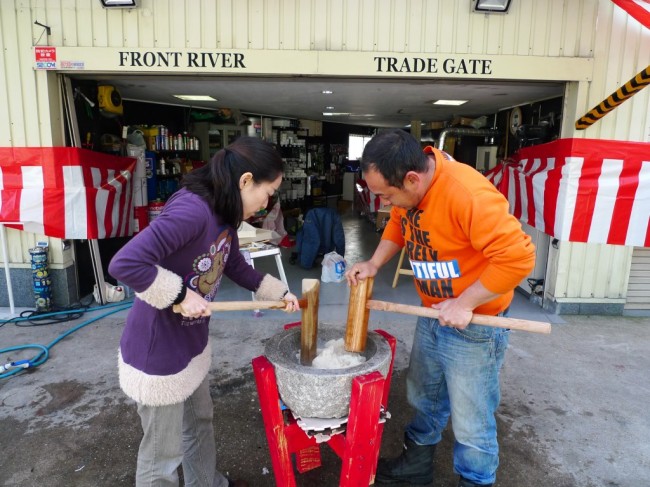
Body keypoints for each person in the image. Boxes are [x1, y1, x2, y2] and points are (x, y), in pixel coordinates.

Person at [345, 129, 535, 487]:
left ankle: (476, 480)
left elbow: (519, 258)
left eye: (386, 194)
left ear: (412, 178)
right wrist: (373, 263)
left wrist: (466, 303)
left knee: (471, 415)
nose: (385, 203)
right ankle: (417, 465)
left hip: (476, 321)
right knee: (423, 392)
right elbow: (401, 221)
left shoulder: (467, 194)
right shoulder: (411, 193)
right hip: (434, 311)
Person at [108, 137, 300, 487]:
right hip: (159, 351)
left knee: (199, 423)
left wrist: (276, 292)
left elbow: (233, 263)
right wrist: (179, 293)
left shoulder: (226, 213)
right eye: (268, 192)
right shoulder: (192, 211)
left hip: (191, 340)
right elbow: (125, 263)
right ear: (245, 181)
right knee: (161, 456)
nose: (268, 202)